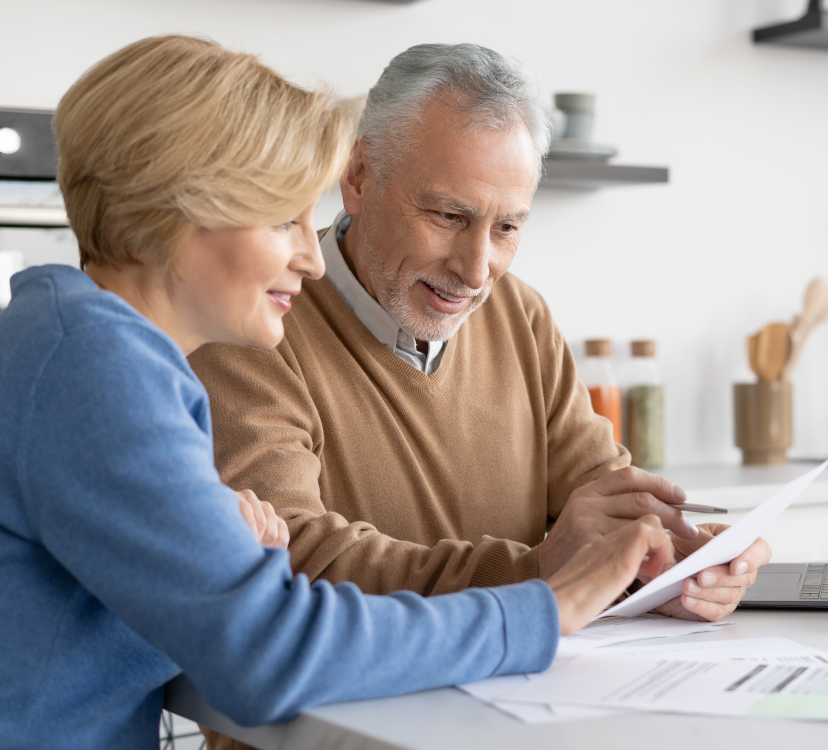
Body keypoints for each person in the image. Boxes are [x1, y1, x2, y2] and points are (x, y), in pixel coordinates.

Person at [0, 35, 680, 750]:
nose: (310, 254)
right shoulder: (95, 366)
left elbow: (225, 612)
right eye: (282, 217)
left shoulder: (74, 341)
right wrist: (544, 607)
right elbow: (269, 651)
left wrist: (240, 557)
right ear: (183, 212)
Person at [190, 44, 770, 620]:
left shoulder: (522, 315)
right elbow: (296, 557)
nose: (475, 269)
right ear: (360, 177)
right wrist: (539, 575)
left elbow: (603, 496)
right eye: (448, 217)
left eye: (508, 227)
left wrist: (676, 563)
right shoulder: (252, 322)